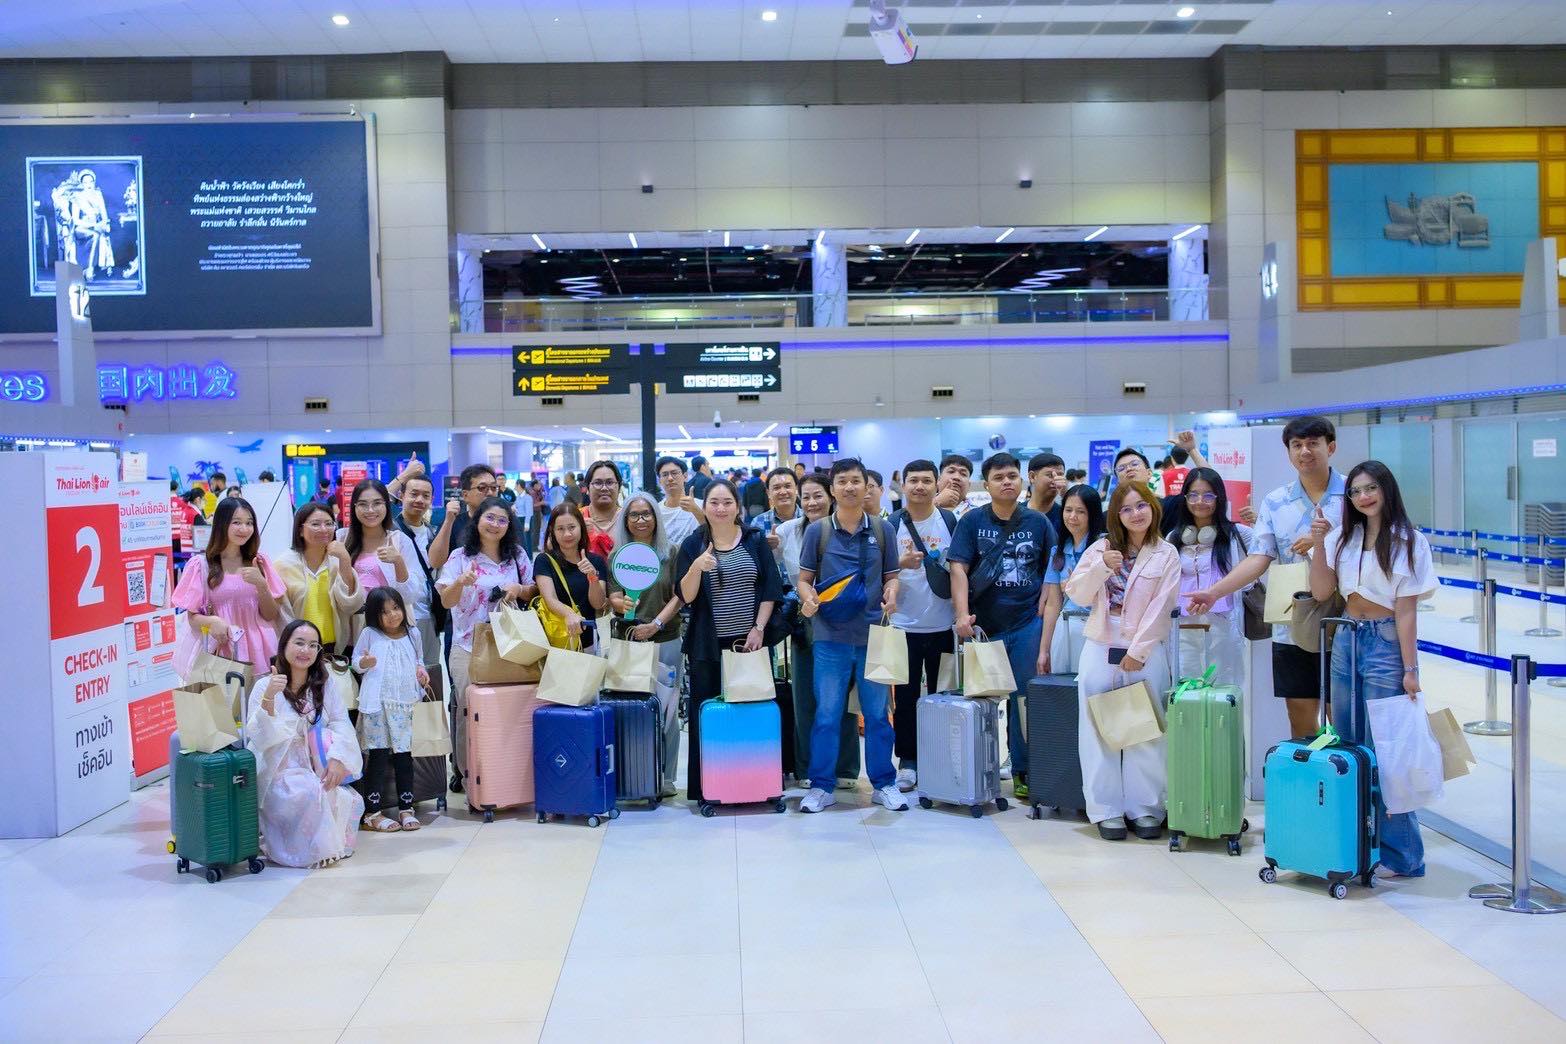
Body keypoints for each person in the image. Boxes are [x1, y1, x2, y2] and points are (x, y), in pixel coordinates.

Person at [1309, 460, 1434, 879]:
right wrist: (1319, 544)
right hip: (1346, 636)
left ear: (1386, 489)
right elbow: (1321, 591)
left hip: (1385, 643)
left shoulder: (1408, 541)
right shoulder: (1344, 538)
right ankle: (1358, 845)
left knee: (1386, 749)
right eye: (1356, 491)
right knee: (1347, 742)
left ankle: (1403, 856)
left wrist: (1410, 667)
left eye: (1370, 488)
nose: (1363, 497)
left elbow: (1407, 610)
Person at [1187, 416, 1347, 739]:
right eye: (1297, 445)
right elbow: (1259, 557)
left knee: (1342, 716)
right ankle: (1305, 770)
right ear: (1288, 452)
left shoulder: (1353, 494)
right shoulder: (1275, 501)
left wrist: (1325, 541)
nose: (1304, 451)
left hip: (1344, 619)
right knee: (1300, 715)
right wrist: (1215, 592)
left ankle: (1343, 772)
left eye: (1313, 444)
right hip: (1293, 622)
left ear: (1330, 447)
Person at [1064, 482, 1181, 841]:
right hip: (1101, 643)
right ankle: (1106, 810)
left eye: (1141, 505)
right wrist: (1101, 566)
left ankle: (1145, 809)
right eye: (1126, 508)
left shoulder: (1166, 553)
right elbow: (1077, 593)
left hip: (1145, 647)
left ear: (1153, 507)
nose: (1135, 514)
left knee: (1146, 725)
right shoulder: (1101, 548)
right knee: (1097, 725)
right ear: (1116, 514)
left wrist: (1138, 651)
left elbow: (1162, 606)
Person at [795, 459, 904, 814]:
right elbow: (804, 580)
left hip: (874, 636)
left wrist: (892, 593)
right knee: (827, 714)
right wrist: (808, 599)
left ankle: (884, 784)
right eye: (842, 481)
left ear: (867, 486)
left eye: (856, 481)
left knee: (877, 715)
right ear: (833, 489)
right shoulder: (819, 532)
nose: (850, 487)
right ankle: (821, 786)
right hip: (830, 637)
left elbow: (891, 576)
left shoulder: (883, 530)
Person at [948, 452, 1054, 798]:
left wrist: (1047, 603)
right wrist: (962, 614)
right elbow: (958, 568)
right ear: (986, 484)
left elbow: (1053, 569)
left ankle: (1024, 769)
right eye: (999, 477)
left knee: (1025, 699)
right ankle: (982, 768)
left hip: (1027, 624)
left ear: (1021, 480)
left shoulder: (1038, 523)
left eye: (1012, 476)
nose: (1007, 482)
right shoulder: (971, 521)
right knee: (983, 701)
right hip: (984, 629)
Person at [676, 479, 783, 805]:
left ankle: (755, 782)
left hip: (749, 643)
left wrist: (759, 628)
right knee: (706, 714)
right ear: (704, 506)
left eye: (727, 502)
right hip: (706, 645)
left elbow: (770, 588)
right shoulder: (693, 544)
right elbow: (686, 596)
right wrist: (696, 568)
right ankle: (707, 788)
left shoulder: (754, 539)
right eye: (714, 502)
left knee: (752, 709)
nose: (720, 508)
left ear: (738, 506)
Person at [245, 620, 363, 868]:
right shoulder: (264, 685)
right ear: (284, 645)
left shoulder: (324, 684)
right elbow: (260, 738)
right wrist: (269, 698)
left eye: (313, 645)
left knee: (348, 799)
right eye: (299, 643)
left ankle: (329, 847)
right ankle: (309, 852)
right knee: (310, 793)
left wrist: (338, 758)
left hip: (314, 764)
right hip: (278, 769)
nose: (305, 650)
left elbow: (341, 722)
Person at [437, 496, 537, 783]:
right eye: (490, 518)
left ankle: (505, 777)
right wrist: (460, 582)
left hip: (511, 645)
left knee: (508, 709)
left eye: (502, 520)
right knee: (468, 710)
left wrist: (518, 589)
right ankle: (470, 777)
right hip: (468, 646)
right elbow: (446, 601)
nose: (495, 524)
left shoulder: (516, 554)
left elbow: (533, 589)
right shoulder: (460, 557)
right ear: (477, 519)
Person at [776, 472, 860, 787]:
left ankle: (845, 768)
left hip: (844, 622)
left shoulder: (849, 529)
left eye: (818, 495)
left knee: (843, 696)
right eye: (807, 497)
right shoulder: (787, 531)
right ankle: (808, 768)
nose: (812, 503)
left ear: (831, 495)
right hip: (806, 623)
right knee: (806, 697)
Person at [609, 492, 686, 798]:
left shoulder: (672, 553)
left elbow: (680, 596)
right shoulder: (617, 556)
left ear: (656, 517)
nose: (640, 520)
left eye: (646, 514)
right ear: (625, 521)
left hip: (666, 639)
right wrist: (619, 603)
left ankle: (666, 777)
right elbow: (612, 596)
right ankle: (635, 774)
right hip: (628, 643)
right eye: (634, 515)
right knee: (631, 709)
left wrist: (656, 624)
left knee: (667, 711)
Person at [888, 459, 958, 792]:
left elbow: (961, 568)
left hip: (944, 625)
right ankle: (908, 761)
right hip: (904, 625)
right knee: (905, 698)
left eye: (926, 480)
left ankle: (941, 758)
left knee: (944, 696)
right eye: (913, 480)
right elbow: (881, 570)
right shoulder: (891, 524)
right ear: (903, 485)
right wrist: (899, 563)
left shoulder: (949, 520)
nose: (919, 486)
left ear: (936, 484)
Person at [172, 496, 286, 674]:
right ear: (221, 524)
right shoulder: (201, 565)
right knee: (224, 692)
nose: (244, 529)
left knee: (260, 692)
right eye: (236, 522)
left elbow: (271, 615)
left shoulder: (259, 562)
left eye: (249, 523)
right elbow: (192, 619)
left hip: (261, 650)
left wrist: (262, 585)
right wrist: (212, 622)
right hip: (221, 651)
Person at [1163, 467, 1253, 689]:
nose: (1199, 501)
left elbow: (1262, 561)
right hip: (1184, 625)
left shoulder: (1237, 534)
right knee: (1186, 688)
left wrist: (1258, 521)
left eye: (1208, 495)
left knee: (1224, 688)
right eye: (1193, 495)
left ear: (1219, 498)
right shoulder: (1174, 538)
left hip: (1223, 623)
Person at [353, 587, 431, 834]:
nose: (392, 615)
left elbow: (418, 661)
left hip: (405, 705)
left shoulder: (413, 633)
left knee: (404, 757)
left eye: (395, 608)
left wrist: (422, 672)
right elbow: (356, 662)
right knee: (377, 757)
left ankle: (406, 808)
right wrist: (364, 662)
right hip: (377, 706)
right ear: (374, 615)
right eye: (384, 612)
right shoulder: (369, 634)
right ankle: (372, 813)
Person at [337, 479, 422, 649]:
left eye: (377, 503)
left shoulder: (399, 541)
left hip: (391, 629)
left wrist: (398, 562)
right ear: (354, 507)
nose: (370, 510)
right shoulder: (341, 538)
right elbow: (335, 590)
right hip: (351, 628)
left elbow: (411, 596)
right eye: (363, 504)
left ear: (386, 505)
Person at [274, 502, 361, 654]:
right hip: (299, 650)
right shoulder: (283, 565)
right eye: (315, 524)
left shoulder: (337, 562)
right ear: (300, 530)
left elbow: (351, 604)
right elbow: (282, 615)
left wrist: (345, 559)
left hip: (334, 648)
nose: (324, 529)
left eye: (329, 524)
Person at [1038, 484, 1107, 677]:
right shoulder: (1057, 552)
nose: (1072, 517)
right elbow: (1053, 605)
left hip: (1098, 632)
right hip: (1066, 630)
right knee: (1064, 688)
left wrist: (1076, 585)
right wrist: (1044, 650)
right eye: (1068, 510)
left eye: (1080, 511)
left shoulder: (1105, 547)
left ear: (1093, 515)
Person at [534, 502, 610, 651]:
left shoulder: (596, 561)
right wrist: (569, 614)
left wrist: (592, 577)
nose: (567, 534)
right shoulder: (544, 560)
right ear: (552, 531)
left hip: (589, 642)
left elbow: (598, 604)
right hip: (557, 641)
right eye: (560, 529)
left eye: (572, 527)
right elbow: (550, 599)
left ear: (581, 527)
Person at [389, 467, 444, 667]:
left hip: (429, 616)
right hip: (399, 616)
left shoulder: (433, 533)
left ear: (431, 500)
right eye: (414, 494)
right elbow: (375, 499)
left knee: (430, 672)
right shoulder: (389, 530)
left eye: (425, 495)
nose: (419, 500)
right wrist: (404, 475)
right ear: (401, 495)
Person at [429, 464, 500, 571]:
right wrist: (448, 522)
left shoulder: (506, 522)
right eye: (482, 488)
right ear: (465, 495)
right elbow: (435, 562)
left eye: (494, 488)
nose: (490, 492)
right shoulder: (453, 522)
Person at [654, 456, 705, 547]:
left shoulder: (701, 505)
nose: (670, 478)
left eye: (674, 473)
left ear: (685, 476)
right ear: (659, 480)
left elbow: (713, 533)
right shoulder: (656, 510)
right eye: (665, 475)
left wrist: (695, 510)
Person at [580, 460, 622, 560]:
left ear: (619, 487)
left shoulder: (629, 518)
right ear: (587, 488)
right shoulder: (576, 518)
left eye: (610, 482)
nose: (604, 488)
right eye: (598, 483)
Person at [1027, 452, 1068, 533]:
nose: (1056, 480)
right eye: (1050, 475)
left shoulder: (1066, 516)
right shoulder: (1015, 514)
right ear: (1032, 477)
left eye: (1060, 475)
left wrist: (1066, 495)